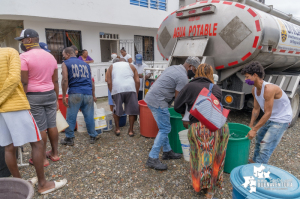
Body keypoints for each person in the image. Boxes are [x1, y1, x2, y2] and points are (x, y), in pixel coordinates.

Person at [0, 46, 67, 194]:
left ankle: (19, 186)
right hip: (15, 103)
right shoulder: (10, 52)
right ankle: (43, 184)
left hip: (2, 110)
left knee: (8, 147)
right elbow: (14, 79)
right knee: (37, 142)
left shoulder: (24, 56)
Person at [174, 63, 229, 199]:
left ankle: (199, 185)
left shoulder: (189, 86)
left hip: (198, 128)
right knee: (216, 157)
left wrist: (186, 114)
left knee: (198, 156)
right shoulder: (216, 88)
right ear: (211, 74)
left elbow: (177, 106)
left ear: (196, 72)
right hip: (219, 127)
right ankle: (210, 190)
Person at [144, 56, 200, 170]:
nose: (194, 73)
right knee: (165, 129)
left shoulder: (173, 67)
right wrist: (184, 117)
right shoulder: (183, 77)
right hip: (158, 101)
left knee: (164, 127)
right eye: (195, 70)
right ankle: (152, 158)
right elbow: (178, 100)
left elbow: (157, 79)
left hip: (151, 97)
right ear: (190, 66)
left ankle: (167, 151)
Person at [16, 29, 60, 166]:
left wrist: (21, 101)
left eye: (22, 40)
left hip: (34, 96)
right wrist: (57, 97)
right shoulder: (51, 57)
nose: (22, 43)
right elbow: (56, 81)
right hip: (50, 94)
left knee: (40, 127)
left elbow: (24, 82)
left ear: (29, 40)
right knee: (52, 125)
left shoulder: (24, 57)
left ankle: (42, 159)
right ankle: (55, 153)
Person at [241, 61, 292, 164]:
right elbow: (256, 109)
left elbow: (268, 113)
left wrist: (254, 130)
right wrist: (251, 126)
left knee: (266, 145)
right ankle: (255, 161)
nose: (245, 80)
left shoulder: (269, 89)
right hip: (271, 117)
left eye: (247, 77)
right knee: (259, 139)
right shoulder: (254, 89)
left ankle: (259, 170)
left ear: (255, 75)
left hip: (281, 120)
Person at [60, 47, 99, 145]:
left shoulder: (65, 63)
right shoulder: (86, 65)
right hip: (88, 93)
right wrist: (93, 95)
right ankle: (93, 136)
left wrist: (64, 95)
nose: (63, 57)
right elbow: (91, 82)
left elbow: (65, 80)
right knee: (89, 116)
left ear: (68, 54)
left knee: (71, 117)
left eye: (63, 55)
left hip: (75, 93)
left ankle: (69, 139)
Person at [106, 58, 140, 137]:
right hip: (130, 88)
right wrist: (136, 93)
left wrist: (112, 92)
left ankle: (117, 129)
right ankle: (131, 131)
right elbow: (137, 81)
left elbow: (109, 82)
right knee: (132, 111)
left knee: (116, 109)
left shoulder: (111, 66)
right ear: (125, 62)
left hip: (117, 89)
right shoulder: (131, 66)